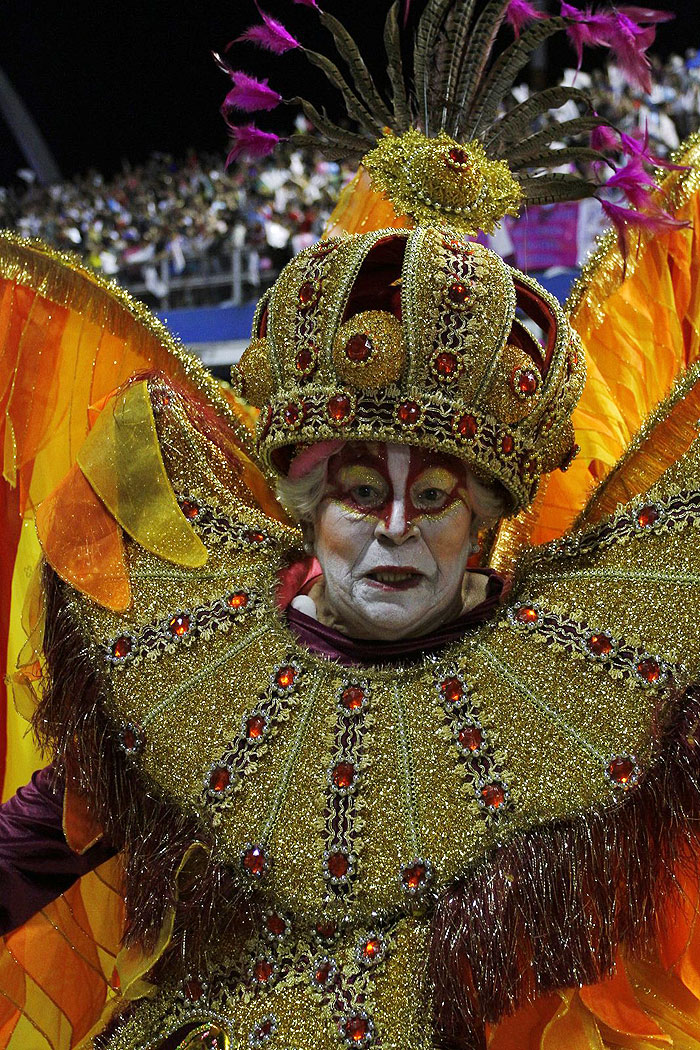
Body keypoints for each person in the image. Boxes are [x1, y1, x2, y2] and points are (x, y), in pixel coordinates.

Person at [3, 3, 700, 1050]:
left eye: (435, 500)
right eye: (359, 494)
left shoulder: (589, 679)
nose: (393, 535)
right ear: (302, 503)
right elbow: (30, 855)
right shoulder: (179, 652)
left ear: (488, 519)